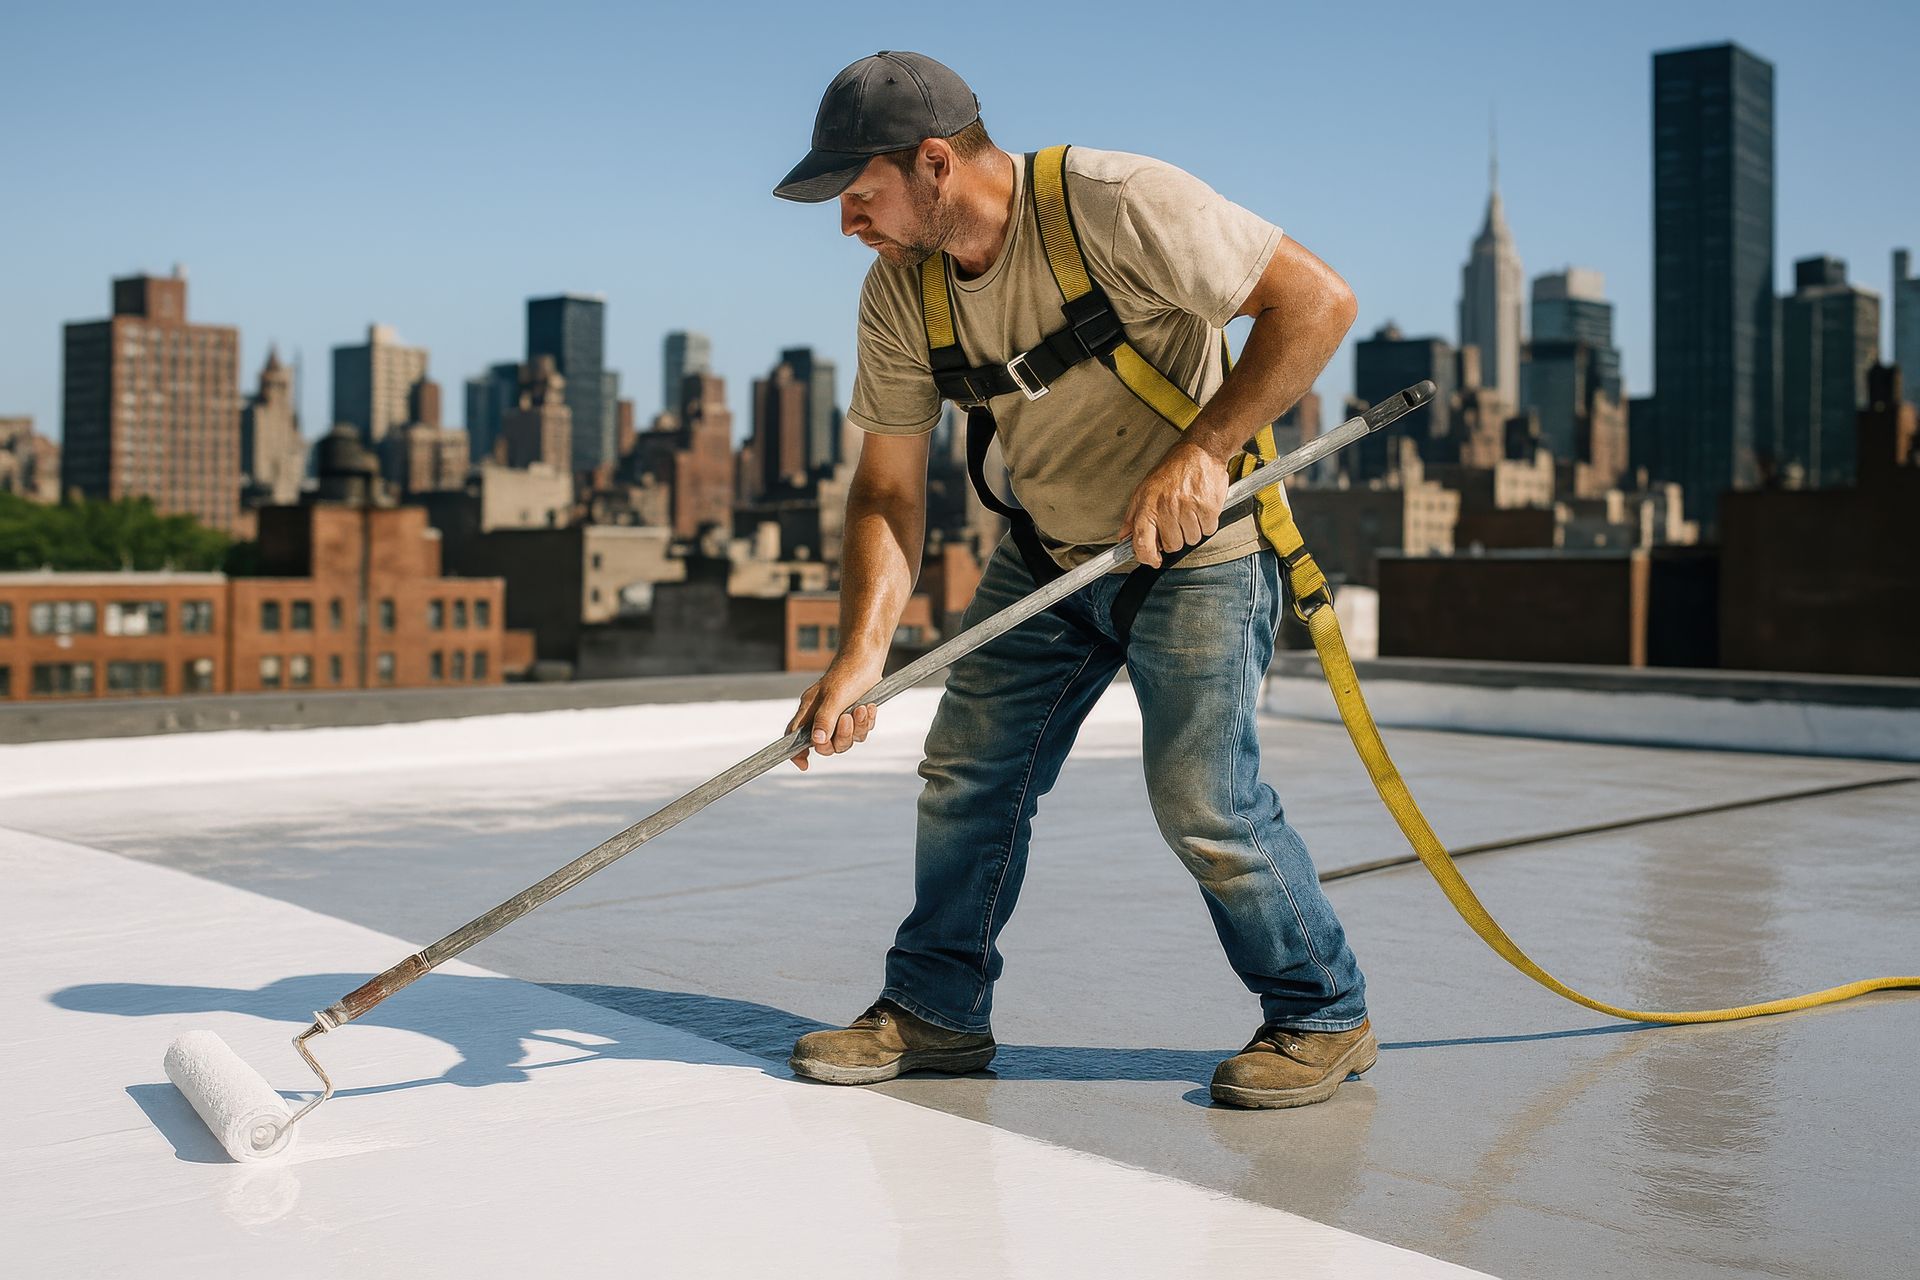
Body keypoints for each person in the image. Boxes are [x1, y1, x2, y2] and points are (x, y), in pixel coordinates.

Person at [771, 51, 1372, 1109]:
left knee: (1205, 801)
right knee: (967, 776)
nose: (847, 222)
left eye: (859, 195)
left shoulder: (1115, 203)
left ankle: (1322, 1013)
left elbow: (1317, 301)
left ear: (935, 162)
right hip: (1046, 557)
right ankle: (936, 1010)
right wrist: (862, 654)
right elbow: (887, 490)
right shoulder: (899, 294)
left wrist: (1204, 450)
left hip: (1199, 558)